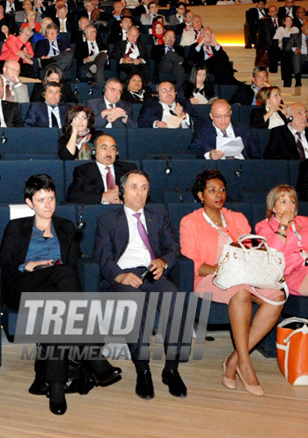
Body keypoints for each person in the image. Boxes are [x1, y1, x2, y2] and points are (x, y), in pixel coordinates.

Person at [0, 174, 121, 415]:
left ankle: (54, 387)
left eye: (51, 198)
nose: (47, 204)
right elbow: (3, 262)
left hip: (56, 290)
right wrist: (28, 265)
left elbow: (74, 266)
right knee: (63, 274)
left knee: (59, 307)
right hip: (23, 287)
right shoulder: (17, 227)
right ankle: (92, 354)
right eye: (41, 199)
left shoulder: (66, 227)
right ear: (29, 203)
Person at [180, 170, 284, 396]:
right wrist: (223, 269)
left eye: (222, 190)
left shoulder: (237, 217)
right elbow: (194, 264)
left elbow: (251, 251)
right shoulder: (190, 222)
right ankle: (245, 365)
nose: (219, 194)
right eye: (212, 190)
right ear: (200, 195)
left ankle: (233, 360)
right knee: (241, 292)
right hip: (210, 277)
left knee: (276, 296)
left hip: (244, 275)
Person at [94, 170, 188, 400]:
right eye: (134, 187)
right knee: (134, 303)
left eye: (144, 187)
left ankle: (171, 369)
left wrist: (164, 261)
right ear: (122, 191)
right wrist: (120, 276)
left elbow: (173, 247)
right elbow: (102, 257)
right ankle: (142, 370)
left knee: (174, 299)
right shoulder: (106, 220)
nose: (140, 192)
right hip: (124, 276)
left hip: (153, 273)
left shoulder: (159, 215)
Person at [256, 184, 308, 295]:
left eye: (292, 202)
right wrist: (283, 224)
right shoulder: (264, 227)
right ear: (273, 208)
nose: (289, 206)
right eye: (283, 202)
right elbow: (274, 252)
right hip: (290, 274)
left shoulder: (304, 221)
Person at [66, 133, 136, 204]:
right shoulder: (83, 171)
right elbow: (72, 195)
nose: (109, 153)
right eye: (104, 148)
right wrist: (102, 197)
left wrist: (122, 201)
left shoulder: (129, 169)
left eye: (113, 149)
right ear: (94, 152)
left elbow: (142, 193)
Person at [187, 99, 261, 159]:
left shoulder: (244, 129)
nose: (223, 120)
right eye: (218, 116)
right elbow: (192, 153)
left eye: (226, 115)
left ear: (231, 113)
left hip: (243, 167)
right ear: (211, 116)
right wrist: (209, 155)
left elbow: (256, 154)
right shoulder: (202, 131)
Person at [286, 23, 308, 87]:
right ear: (302, 28)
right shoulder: (295, 36)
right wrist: (296, 49)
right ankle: (298, 80)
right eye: (307, 27)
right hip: (300, 57)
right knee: (297, 55)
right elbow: (287, 48)